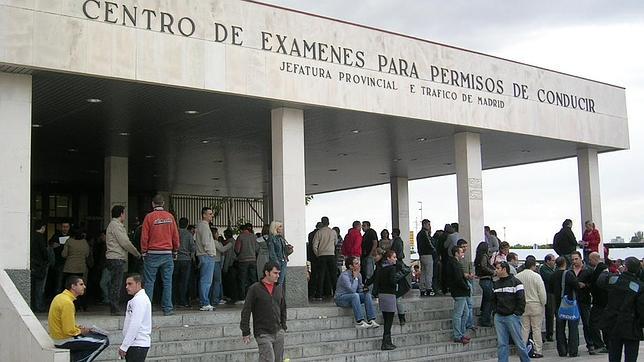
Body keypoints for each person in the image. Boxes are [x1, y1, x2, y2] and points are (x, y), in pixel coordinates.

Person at [48, 276, 109, 362]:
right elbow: (68, 331)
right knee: (104, 341)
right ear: (73, 286)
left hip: (57, 338)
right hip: (63, 340)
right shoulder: (67, 303)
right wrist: (81, 331)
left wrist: (78, 328)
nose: (84, 286)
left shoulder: (60, 297)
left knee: (93, 338)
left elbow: (64, 323)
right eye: (81, 284)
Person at [597, 256, 644, 362]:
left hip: (613, 323)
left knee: (614, 354)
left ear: (625, 268)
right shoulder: (640, 287)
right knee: (631, 356)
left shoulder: (614, 280)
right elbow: (641, 309)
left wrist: (605, 269)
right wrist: (640, 324)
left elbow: (600, 280)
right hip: (631, 325)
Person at [240, 261, 288, 362]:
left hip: (278, 331)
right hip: (262, 333)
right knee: (268, 359)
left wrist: (283, 326)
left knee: (278, 359)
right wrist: (245, 331)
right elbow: (246, 310)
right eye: (275, 273)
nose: (278, 276)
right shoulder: (254, 289)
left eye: (278, 273)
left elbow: (283, 307)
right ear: (267, 273)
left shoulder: (279, 288)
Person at [141, 194, 180, 316]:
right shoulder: (170, 217)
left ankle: (147, 310)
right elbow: (175, 236)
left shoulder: (149, 217)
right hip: (167, 254)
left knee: (149, 282)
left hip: (152, 253)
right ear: (163, 204)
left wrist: (143, 251)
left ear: (153, 204)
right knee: (167, 282)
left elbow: (144, 236)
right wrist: (175, 250)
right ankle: (168, 308)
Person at [106, 205, 142, 315]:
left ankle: (114, 306)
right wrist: (136, 253)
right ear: (121, 214)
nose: (125, 215)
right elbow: (125, 242)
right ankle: (115, 308)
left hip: (113, 258)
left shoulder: (112, 225)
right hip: (116, 257)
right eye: (124, 213)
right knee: (116, 284)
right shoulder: (116, 226)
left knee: (115, 283)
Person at [492, 261, 530, 362]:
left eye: (498, 268)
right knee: (502, 343)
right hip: (499, 316)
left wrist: (517, 313)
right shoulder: (496, 284)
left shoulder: (516, 282)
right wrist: (495, 312)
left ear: (504, 269)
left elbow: (521, 299)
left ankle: (525, 360)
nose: (496, 270)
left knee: (519, 342)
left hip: (512, 316)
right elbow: (493, 300)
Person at [334, 256, 380, 329]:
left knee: (366, 295)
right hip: (341, 298)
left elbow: (359, 289)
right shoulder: (344, 276)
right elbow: (352, 290)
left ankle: (371, 319)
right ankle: (360, 321)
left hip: (353, 297)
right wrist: (355, 278)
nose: (359, 265)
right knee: (355, 295)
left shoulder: (359, 275)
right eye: (356, 263)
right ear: (350, 266)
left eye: (358, 263)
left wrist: (364, 290)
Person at [516, 258, 547, 358]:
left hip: (523, 305)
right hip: (536, 304)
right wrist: (543, 303)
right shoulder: (536, 276)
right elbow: (541, 292)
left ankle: (522, 349)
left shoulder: (518, 276)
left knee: (524, 329)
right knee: (536, 329)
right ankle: (538, 350)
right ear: (533, 266)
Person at [374, 250, 404, 350]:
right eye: (394, 257)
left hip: (382, 295)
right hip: (390, 295)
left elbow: (376, 282)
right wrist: (398, 277)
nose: (395, 259)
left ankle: (388, 341)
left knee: (386, 319)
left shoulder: (380, 269)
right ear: (388, 258)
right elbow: (392, 281)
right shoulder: (392, 269)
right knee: (389, 321)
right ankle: (385, 342)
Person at [550, 256, 579, 357]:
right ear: (565, 263)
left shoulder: (553, 275)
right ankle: (573, 350)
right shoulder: (569, 274)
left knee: (560, 329)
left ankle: (562, 350)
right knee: (573, 328)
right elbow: (576, 285)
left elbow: (550, 289)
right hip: (569, 303)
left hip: (558, 304)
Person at [119, 274, 151, 362]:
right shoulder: (139, 299)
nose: (126, 287)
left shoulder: (139, 300)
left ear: (138, 284)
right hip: (135, 344)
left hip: (137, 344)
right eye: (126, 284)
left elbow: (135, 324)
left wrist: (124, 346)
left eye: (130, 284)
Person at [570, 250, 596, 355]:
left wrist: (585, 285)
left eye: (576, 259)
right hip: (573, 300)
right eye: (572, 259)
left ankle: (590, 344)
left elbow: (593, 285)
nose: (574, 261)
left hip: (584, 299)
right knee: (573, 324)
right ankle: (573, 346)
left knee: (587, 323)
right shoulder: (569, 271)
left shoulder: (588, 270)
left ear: (581, 258)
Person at [446, 246, 471, 345]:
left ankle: (461, 333)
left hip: (461, 291)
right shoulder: (454, 264)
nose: (462, 254)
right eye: (460, 252)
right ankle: (457, 335)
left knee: (466, 312)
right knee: (458, 314)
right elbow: (458, 278)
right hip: (459, 291)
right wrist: (466, 287)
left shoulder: (454, 263)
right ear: (456, 253)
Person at [61, 228, 91, 311]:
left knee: (70, 288)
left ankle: (72, 305)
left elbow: (64, 254)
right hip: (81, 268)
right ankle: (83, 305)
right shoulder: (84, 242)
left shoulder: (69, 241)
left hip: (69, 268)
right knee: (81, 287)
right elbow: (87, 254)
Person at [312, 216, 338, 300]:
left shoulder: (319, 232)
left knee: (321, 275)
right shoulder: (333, 232)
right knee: (333, 275)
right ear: (329, 222)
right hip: (331, 255)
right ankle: (336, 292)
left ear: (322, 223)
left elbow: (314, 245)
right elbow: (335, 242)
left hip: (322, 256)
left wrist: (318, 254)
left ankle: (319, 294)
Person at [587, 252, 608, 353]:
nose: (589, 262)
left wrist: (588, 286)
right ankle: (606, 344)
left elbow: (596, 284)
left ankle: (599, 344)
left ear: (595, 259)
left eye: (590, 260)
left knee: (593, 323)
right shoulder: (603, 268)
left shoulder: (600, 269)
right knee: (604, 323)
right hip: (604, 301)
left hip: (600, 301)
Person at [174, 217, 195, 308]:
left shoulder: (175, 233)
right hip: (186, 260)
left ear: (178, 224)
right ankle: (183, 301)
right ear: (187, 224)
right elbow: (192, 247)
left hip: (175, 259)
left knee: (174, 281)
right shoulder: (189, 234)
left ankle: (174, 300)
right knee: (184, 281)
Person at [474, 241, 495, 327]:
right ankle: (485, 319)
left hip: (482, 279)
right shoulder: (484, 256)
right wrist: (493, 272)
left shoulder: (478, 257)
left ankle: (484, 316)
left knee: (486, 299)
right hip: (486, 279)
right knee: (488, 301)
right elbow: (484, 266)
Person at [235, 223, 259, 299]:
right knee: (253, 279)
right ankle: (255, 295)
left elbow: (237, 250)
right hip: (253, 260)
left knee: (242, 279)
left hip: (243, 261)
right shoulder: (254, 237)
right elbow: (257, 249)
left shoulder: (240, 237)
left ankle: (242, 297)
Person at [31, 220, 50, 312]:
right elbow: (44, 252)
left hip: (33, 265)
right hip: (40, 266)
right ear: (42, 227)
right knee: (39, 287)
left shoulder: (32, 237)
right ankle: (39, 306)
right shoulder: (40, 238)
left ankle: (33, 305)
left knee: (33, 287)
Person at [48, 221, 71, 296]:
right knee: (59, 281)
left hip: (69, 262)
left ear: (69, 227)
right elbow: (50, 243)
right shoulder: (56, 235)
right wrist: (52, 244)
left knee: (68, 281)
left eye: (66, 227)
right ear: (61, 227)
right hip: (59, 262)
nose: (65, 229)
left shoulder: (71, 236)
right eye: (64, 227)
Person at [538, 254, 556, 342]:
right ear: (548, 261)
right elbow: (550, 278)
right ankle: (549, 334)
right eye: (553, 260)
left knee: (551, 314)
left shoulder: (553, 269)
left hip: (552, 292)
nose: (554, 262)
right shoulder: (543, 269)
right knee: (549, 313)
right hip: (547, 293)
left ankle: (550, 332)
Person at [417, 219, 436, 297]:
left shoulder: (419, 234)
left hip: (422, 255)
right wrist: (434, 249)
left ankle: (422, 289)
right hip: (428, 254)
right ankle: (428, 288)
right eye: (428, 224)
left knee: (423, 273)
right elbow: (429, 244)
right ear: (424, 224)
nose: (429, 226)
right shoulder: (425, 234)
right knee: (429, 273)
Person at [267, 221, 288, 287]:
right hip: (277, 262)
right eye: (280, 226)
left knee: (281, 281)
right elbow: (272, 252)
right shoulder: (272, 238)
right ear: (275, 227)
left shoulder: (281, 238)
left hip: (283, 261)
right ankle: (276, 296)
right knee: (277, 281)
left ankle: (278, 295)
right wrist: (276, 262)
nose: (282, 228)